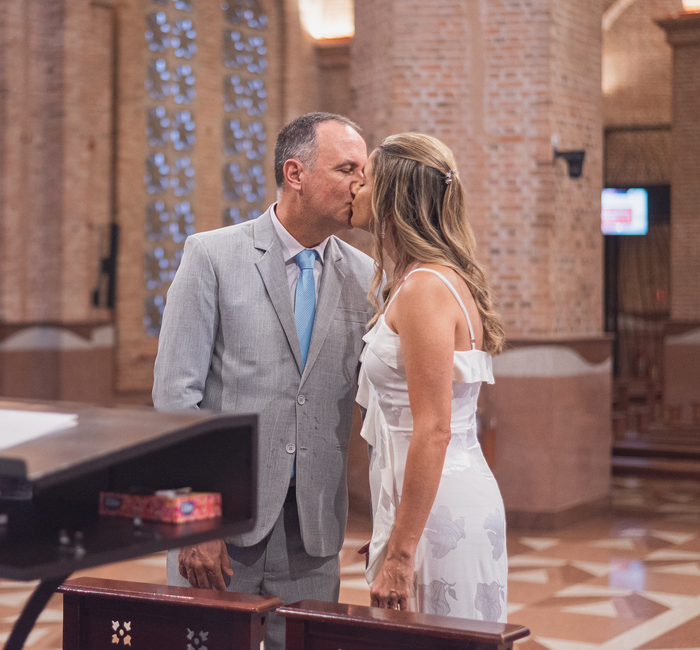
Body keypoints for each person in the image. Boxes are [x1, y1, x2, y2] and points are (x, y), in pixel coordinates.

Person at [153, 112, 374, 649]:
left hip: (314, 535)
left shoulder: (365, 275)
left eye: (363, 172)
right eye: (347, 169)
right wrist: (196, 524)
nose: (360, 185)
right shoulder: (212, 255)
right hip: (225, 531)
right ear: (295, 173)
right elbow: (175, 399)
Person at [350, 132, 508, 620]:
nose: (355, 187)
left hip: (443, 511)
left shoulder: (425, 289)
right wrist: (393, 526)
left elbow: (434, 428)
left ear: (392, 199)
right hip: (429, 502)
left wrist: (401, 550)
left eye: (366, 179)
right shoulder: (426, 279)